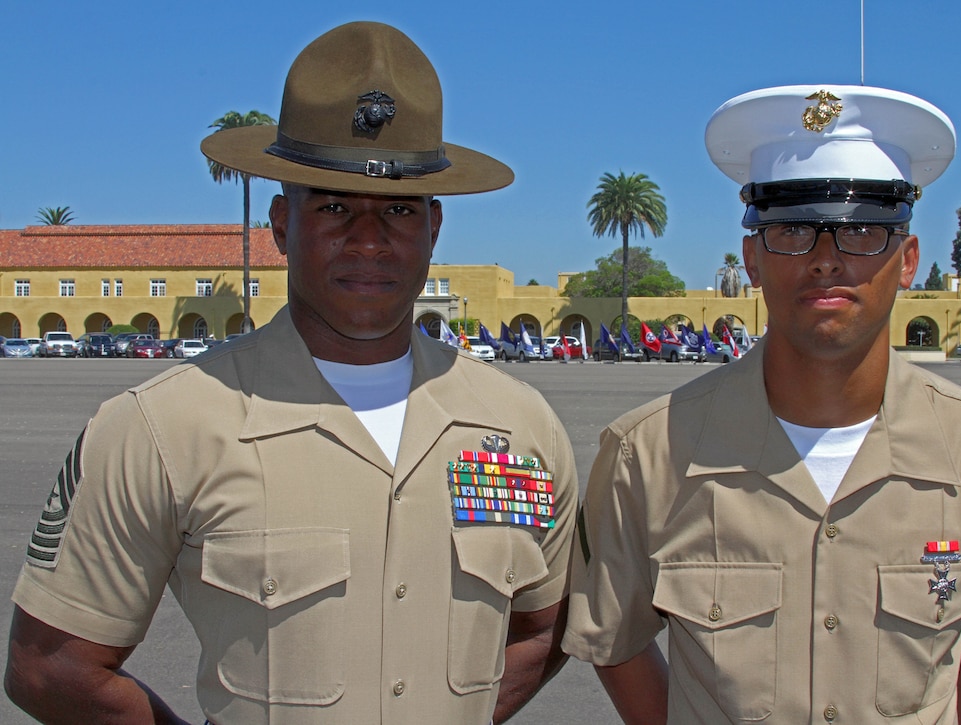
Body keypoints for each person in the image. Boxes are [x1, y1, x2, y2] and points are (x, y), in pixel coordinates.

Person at [6, 22, 575, 724]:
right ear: (281, 224)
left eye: (398, 209)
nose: (368, 238)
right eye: (334, 206)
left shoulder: (518, 426)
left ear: (434, 228)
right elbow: (50, 666)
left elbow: (546, 627)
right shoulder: (164, 426)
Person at [561, 85, 961, 724]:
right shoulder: (649, 452)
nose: (827, 260)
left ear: (908, 259)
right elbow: (616, 644)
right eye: (793, 230)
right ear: (751, 258)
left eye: (863, 230)